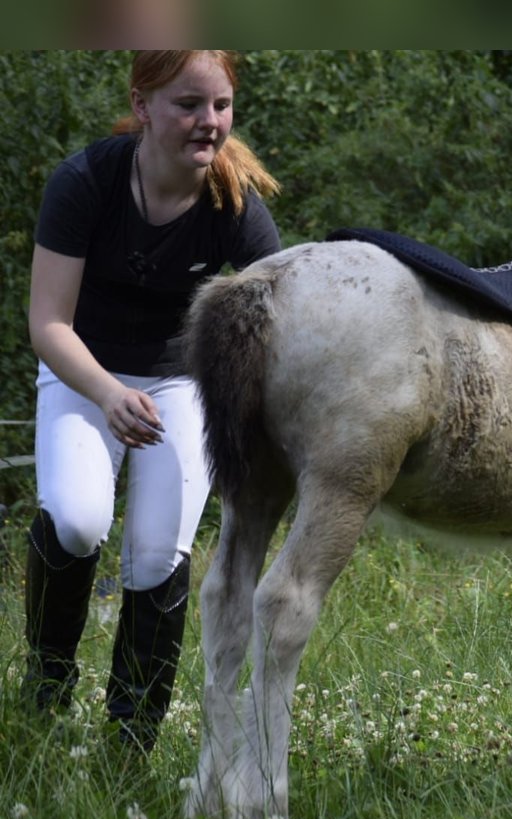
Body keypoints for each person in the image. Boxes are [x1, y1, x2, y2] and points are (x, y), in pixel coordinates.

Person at [23, 50, 282, 752]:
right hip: (84, 375)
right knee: (77, 521)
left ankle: (129, 742)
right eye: (189, 105)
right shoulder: (84, 183)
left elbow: (282, 306)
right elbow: (47, 323)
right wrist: (107, 394)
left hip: (179, 384)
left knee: (155, 555)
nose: (210, 122)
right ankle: (43, 696)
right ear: (143, 106)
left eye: (221, 106)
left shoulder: (233, 203)